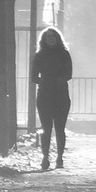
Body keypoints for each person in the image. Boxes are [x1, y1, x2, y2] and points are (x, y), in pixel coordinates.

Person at [32, 27, 72, 170]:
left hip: (61, 95)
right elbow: (33, 77)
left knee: (60, 128)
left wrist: (59, 80)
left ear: (58, 38)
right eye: (48, 36)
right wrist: (44, 81)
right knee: (46, 128)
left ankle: (59, 157)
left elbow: (69, 73)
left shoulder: (64, 54)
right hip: (44, 95)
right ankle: (45, 157)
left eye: (53, 36)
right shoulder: (39, 56)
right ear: (43, 39)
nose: (50, 39)